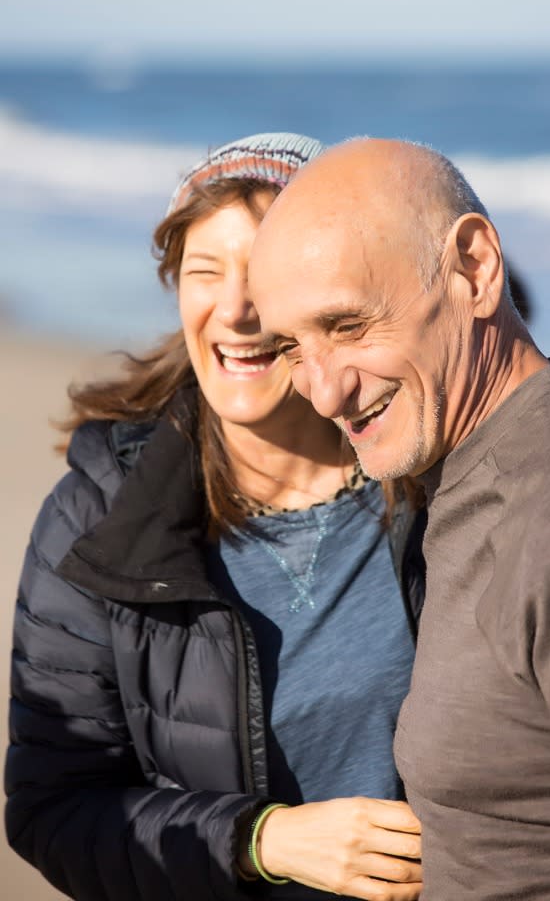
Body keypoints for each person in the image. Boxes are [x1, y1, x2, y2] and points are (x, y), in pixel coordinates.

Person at [248, 137, 550, 901]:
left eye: (348, 325)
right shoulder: (469, 458)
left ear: (475, 268)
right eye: (290, 345)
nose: (321, 393)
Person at [4, 133, 426, 901]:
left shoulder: (426, 478)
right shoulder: (99, 515)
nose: (233, 310)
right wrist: (261, 839)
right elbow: (53, 808)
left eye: (263, 273)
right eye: (204, 273)